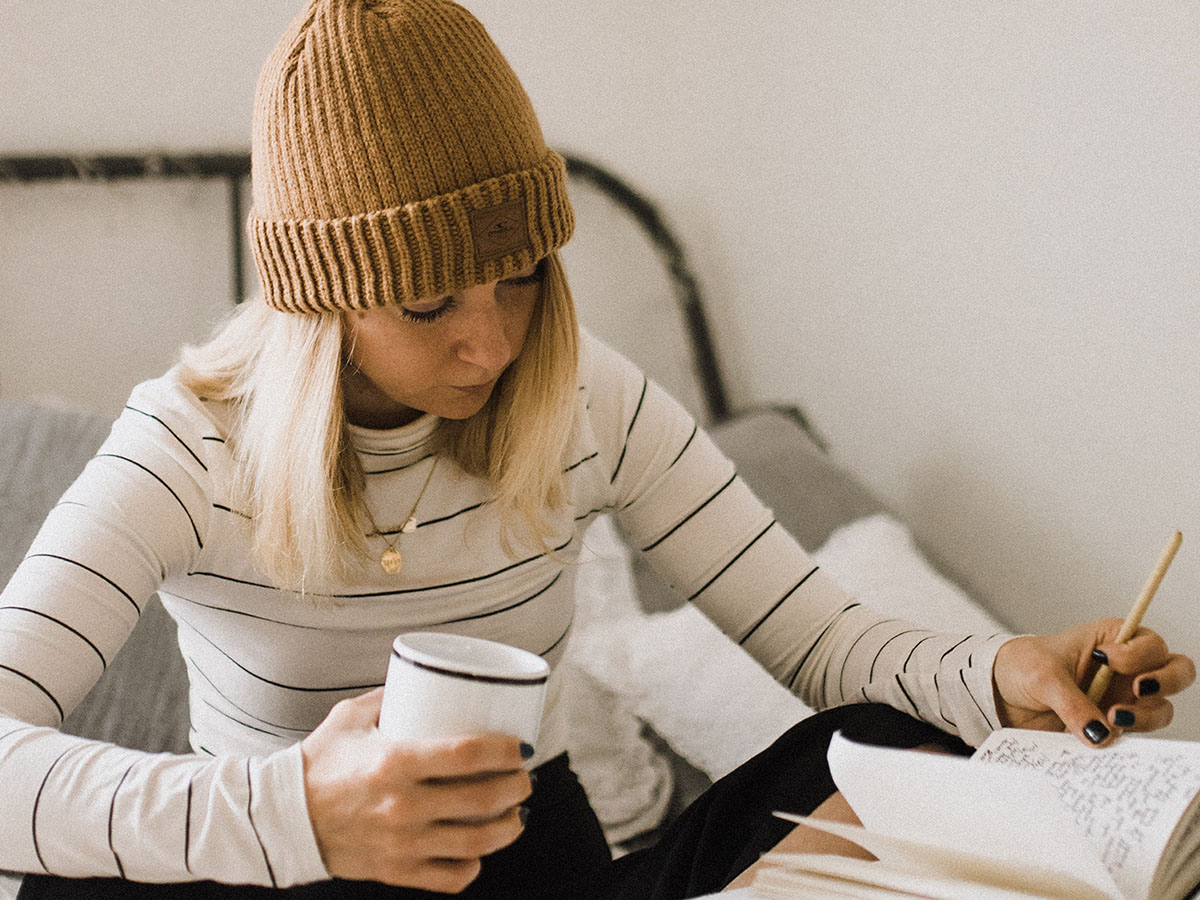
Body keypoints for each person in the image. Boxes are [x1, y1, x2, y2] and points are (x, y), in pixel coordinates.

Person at [0, 1, 1193, 898]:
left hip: (538, 880)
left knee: (894, 738)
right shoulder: (187, 444)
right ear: (322, 308)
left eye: (519, 280)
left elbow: (825, 638)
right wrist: (292, 810)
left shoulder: (582, 397)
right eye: (428, 307)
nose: (489, 346)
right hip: (282, 868)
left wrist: (1002, 673)